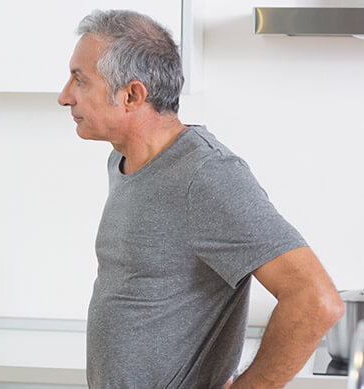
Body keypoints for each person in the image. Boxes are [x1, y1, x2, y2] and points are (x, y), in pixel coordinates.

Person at [57, 9, 344, 388]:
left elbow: (315, 302)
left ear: (132, 95)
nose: (64, 97)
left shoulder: (205, 174)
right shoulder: (123, 161)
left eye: (80, 81)